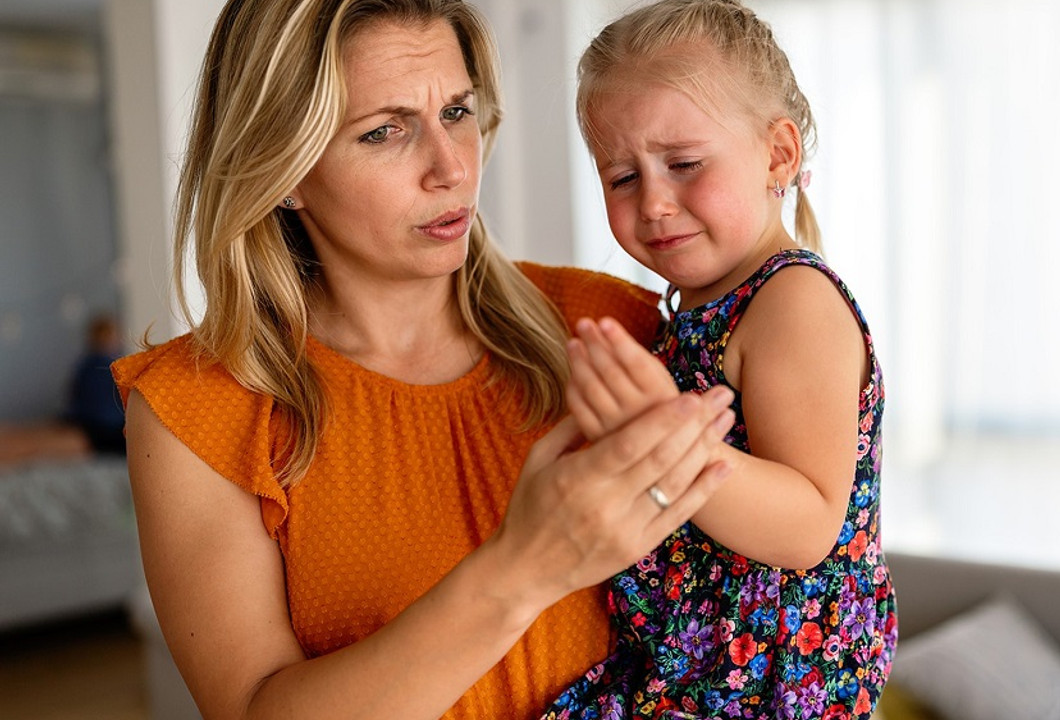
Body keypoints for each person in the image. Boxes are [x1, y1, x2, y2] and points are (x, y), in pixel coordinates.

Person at [111, 1, 738, 718]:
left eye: (458, 112)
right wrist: (524, 568)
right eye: (385, 131)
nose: (451, 168)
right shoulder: (196, 411)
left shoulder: (612, 327)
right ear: (283, 171)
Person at [541, 1, 896, 717]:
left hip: (765, 689)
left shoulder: (792, 300)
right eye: (622, 177)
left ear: (779, 154)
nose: (656, 204)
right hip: (681, 672)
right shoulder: (696, 310)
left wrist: (659, 434)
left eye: (684, 164)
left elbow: (806, 526)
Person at [66, 313, 126, 455]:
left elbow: (75, 397)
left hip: (89, 427)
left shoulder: (84, 366)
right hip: (109, 427)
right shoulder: (115, 367)